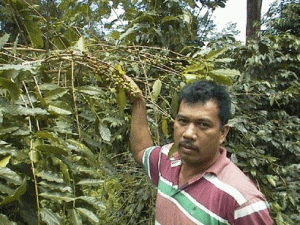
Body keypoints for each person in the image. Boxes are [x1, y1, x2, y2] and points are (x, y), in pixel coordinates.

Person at [127, 77, 273, 225]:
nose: (189, 133)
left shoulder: (243, 201)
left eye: (203, 124)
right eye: (183, 121)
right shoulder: (167, 160)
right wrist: (138, 102)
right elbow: (141, 150)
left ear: (222, 133)